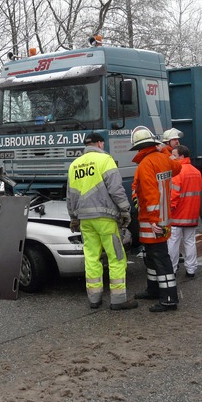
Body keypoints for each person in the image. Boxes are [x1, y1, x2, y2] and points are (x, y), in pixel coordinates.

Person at [66, 132, 137, 311]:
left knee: (91, 257)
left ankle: (94, 298)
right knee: (116, 256)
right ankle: (118, 299)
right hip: (105, 218)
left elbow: (70, 196)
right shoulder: (105, 160)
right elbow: (116, 189)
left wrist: (74, 218)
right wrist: (125, 210)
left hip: (84, 220)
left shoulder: (74, 165)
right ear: (99, 144)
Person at [130, 126, 182, 312]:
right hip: (164, 217)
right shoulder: (163, 158)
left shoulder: (145, 165)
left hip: (152, 220)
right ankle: (153, 289)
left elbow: (151, 195)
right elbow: (177, 167)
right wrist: (166, 151)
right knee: (152, 256)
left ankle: (169, 298)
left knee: (160, 257)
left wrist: (153, 220)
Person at [168, 145, 202, 278]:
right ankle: (191, 269)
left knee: (173, 241)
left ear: (181, 156)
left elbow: (174, 194)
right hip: (192, 214)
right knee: (189, 241)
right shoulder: (196, 171)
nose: (172, 157)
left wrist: (169, 209)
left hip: (178, 214)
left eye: (174, 155)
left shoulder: (177, 171)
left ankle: (172, 269)